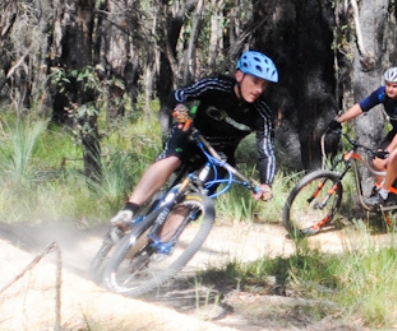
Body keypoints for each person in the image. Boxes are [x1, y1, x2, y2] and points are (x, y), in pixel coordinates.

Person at [111, 51, 279, 229]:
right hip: (191, 135)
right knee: (171, 160)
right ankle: (128, 210)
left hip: (219, 155)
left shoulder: (263, 113)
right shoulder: (216, 85)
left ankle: (157, 242)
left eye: (263, 85)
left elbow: (267, 152)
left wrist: (266, 183)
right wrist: (181, 113)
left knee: (194, 197)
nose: (259, 89)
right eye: (255, 81)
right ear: (239, 76)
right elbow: (178, 95)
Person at [331, 66, 397, 200]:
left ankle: (384, 194)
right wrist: (339, 120)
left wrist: (388, 151)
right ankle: (387, 195)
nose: (390, 89)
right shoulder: (382, 93)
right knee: (378, 162)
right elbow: (361, 106)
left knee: (392, 158)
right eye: (388, 85)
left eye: (395, 86)